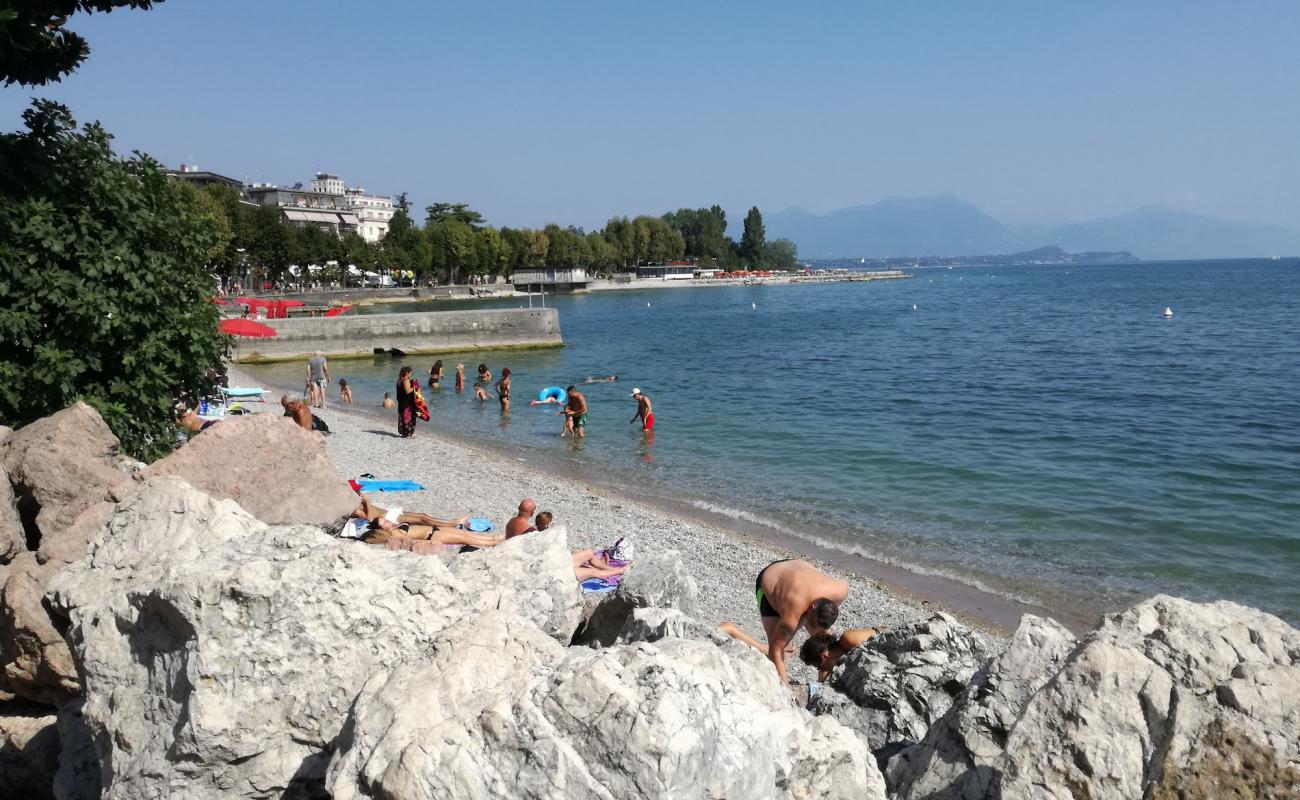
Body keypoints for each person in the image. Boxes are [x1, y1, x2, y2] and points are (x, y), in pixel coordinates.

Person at [754, 559, 848, 683]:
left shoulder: (841, 591)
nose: (809, 626)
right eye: (810, 622)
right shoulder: (793, 613)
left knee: (826, 642)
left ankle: (823, 684)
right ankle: (781, 685)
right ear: (811, 608)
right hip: (771, 577)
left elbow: (845, 580)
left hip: (799, 566)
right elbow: (775, 650)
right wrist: (786, 691)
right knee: (776, 642)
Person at [799, 628, 888, 681]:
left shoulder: (849, 639)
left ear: (825, 656)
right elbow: (822, 679)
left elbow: (884, 634)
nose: (820, 670)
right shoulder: (838, 659)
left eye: (817, 666)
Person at [396, 366, 417, 438]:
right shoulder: (406, 380)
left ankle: (404, 433)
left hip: (401, 401)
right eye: (411, 373)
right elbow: (408, 391)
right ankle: (408, 433)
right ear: (407, 373)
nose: (411, 374)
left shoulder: (399, 380)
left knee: (403, 416)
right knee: (408, 417)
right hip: (407, 402)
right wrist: (415, 387)